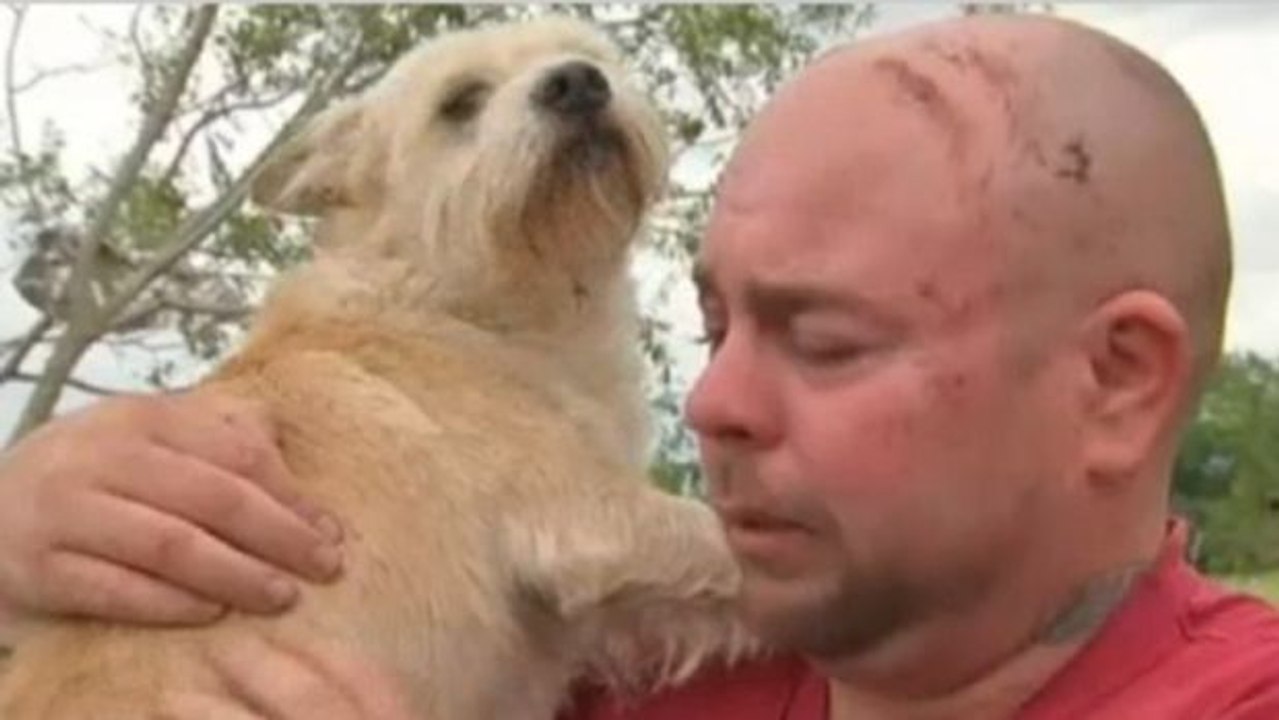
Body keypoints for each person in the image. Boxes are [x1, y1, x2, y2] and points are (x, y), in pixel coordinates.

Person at [2, 13, 1277, 720]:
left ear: (1114, 382)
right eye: (713, 323)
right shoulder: (658, 677)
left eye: (824, 341)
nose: (709, 403)